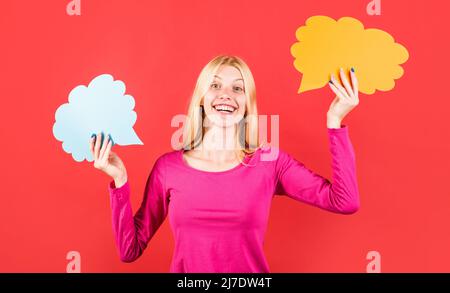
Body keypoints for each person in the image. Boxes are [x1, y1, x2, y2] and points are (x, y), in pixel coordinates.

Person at [89, 55, 360, 273]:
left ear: (247, 102)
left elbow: (344, 201)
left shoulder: (270, 162)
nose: (226, 94)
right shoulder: (168, 168)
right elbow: (129, 251)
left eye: (238, 88)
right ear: (202, 99)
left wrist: (334, 120)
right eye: (215, 85)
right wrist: (120, 180)